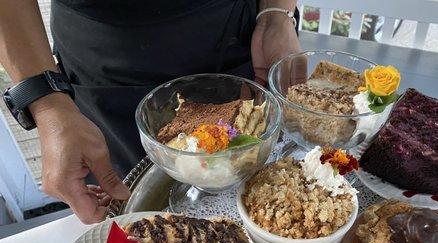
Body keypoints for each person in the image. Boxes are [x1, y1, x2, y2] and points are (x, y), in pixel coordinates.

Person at [0, 0, 301, 224]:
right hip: (107, 71)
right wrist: (48, 104)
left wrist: (277, 13)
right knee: (134, 218)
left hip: (239, 42)